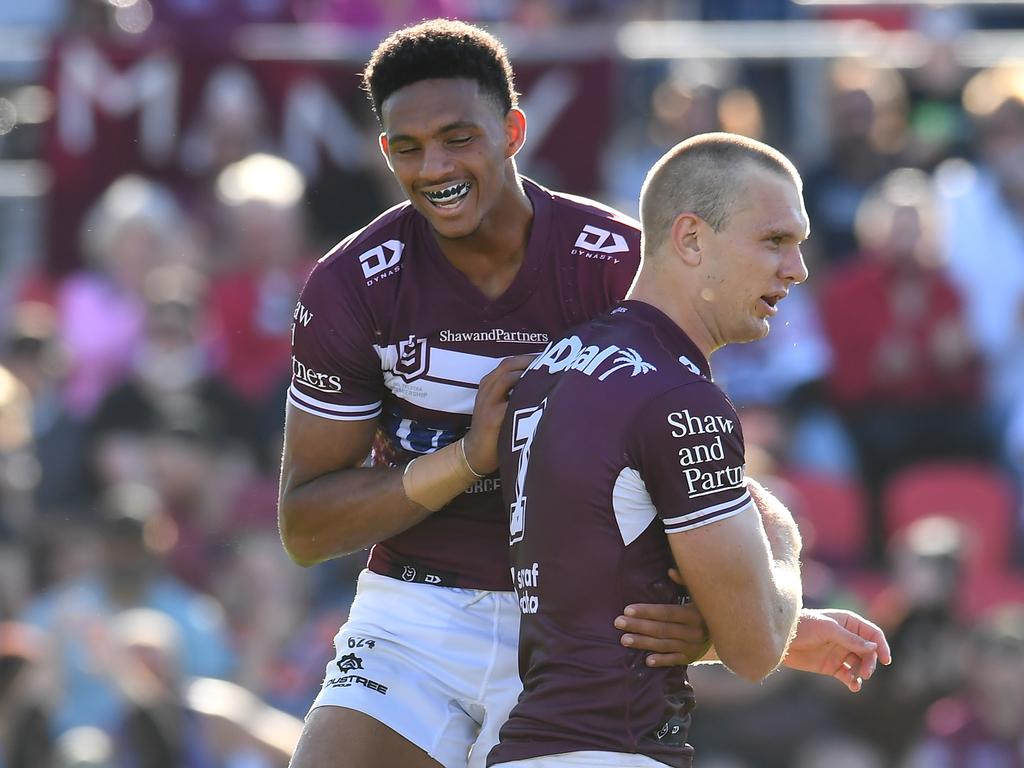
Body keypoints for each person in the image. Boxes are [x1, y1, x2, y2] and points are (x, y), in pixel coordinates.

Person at [278, 21, 886, 768]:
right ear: (384, 152)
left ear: (513, 130)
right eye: (408, 148)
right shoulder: (350, 284)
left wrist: (721, 624)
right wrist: (468, 459)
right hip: (414, 612)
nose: (434, 166)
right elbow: (305, 526)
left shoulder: (619, 261)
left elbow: (677, 468)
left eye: (458, 137)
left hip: (575, 631)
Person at [488, 133, 891, 768]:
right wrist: (781, 535)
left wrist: (727, 631)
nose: (798, 269)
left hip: (525, 745)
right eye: (774, 241)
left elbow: (592, 605)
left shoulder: (553, 368)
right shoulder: (678, 399)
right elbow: (755, 648)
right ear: (692, 239)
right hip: (612, 750)